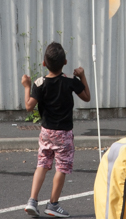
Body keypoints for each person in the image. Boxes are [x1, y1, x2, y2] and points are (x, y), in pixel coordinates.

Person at [21, 42, 91, 218]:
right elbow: (87, 97)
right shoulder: (70, 82)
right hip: (64, 134)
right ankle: (53, 204)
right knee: (62, 168)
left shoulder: (39, 83)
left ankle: (32, 200)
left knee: (42, 165)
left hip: (46, 132)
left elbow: (29, 106)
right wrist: (82, 76)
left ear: (44, 63)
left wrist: (27, 86)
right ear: (65, 62)